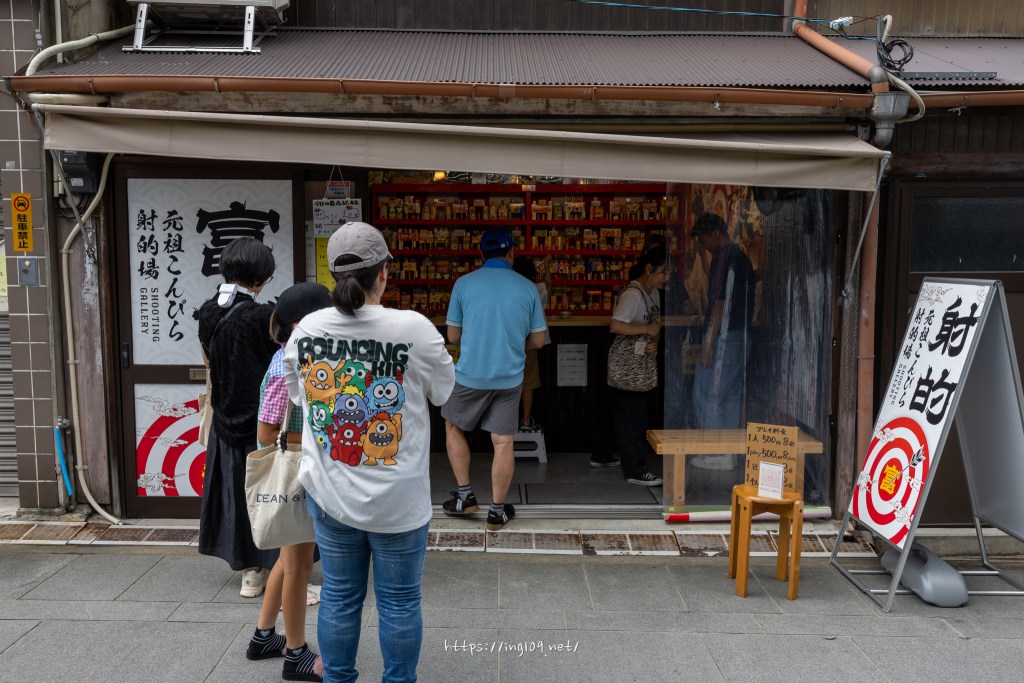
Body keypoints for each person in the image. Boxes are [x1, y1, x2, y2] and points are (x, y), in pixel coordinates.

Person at [283, 221, 455, 682]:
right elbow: (443, 392)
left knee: (339, 596)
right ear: (384, 273)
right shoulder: (414, 328)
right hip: (399, 497)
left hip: (331, 493)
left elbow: (300, 396)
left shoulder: (307, 330)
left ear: (334, 275)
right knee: (400, 602)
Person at [246, 282, 332, 681]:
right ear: (303, 323)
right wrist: (313, 438)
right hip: (295, 473)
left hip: (299, 469)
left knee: (289, 558)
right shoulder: (288, 364)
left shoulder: (292, 355)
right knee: (298, 566)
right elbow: (268, 433)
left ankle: (264, 636)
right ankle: (296, 653)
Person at [441, 227, 547, 531]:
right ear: (511, 253)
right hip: (509, 377)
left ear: (481, 254)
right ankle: (497, 512)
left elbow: (453, 336)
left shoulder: (464, 284)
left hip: (470, 375)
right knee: (503, 441)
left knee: (453, 426)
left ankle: (465, 497)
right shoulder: (528, 288)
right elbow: (538, 341)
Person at [195, 237, 279, 598]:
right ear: (260, 277)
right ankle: (280, 571)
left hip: (224, 420)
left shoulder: (207, 311)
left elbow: (208, 362)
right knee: (271, 495)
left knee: (236, 493)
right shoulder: (264, 316)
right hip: (262, 422)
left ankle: (249, 574)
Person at [690, 213, 757, 477]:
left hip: (725, 339)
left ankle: (717, 454)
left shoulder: (723, 258)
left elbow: (719, 303)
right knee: (729, 396)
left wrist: (708, 342)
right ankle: (728, 453)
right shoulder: (741, 257)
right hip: (742, 337)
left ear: (715, 234)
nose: (703, 245)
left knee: (708, 394)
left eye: (703, 239)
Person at [598, 247, 667, 485]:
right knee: (633, 416)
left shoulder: (653, 293)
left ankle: (602, 454)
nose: (665, 277)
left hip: (640, 366)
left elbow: (656, 324)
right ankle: (635, 469)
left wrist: (655, 341)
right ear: (648, 269)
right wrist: (646, 329)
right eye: (662, 272)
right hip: (628, 367)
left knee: (620, 412)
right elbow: (616, 325)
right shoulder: (633, 295)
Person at [512, 254, 551, 432]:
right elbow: (548, 285)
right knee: (528, 384)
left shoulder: (508, 290)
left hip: (510, 342)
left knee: (509, 381)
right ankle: (526, 421)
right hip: (530, 343)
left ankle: (508, 419)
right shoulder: (536, 289)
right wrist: (547, 265)